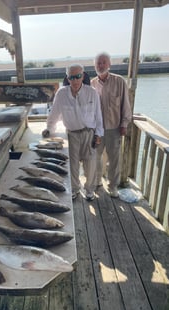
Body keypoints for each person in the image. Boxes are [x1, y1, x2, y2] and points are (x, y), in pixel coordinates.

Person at [42, 63, 103, 200]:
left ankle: (89, 190)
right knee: (72, 166)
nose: (75, 80)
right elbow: (54, 116)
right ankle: (75, 190)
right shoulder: (61, 94)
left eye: (78, 76)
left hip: (89, 134)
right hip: (71, 134)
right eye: (72, 77)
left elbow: (99, 116)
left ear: (83, 76)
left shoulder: (92, 92)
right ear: (67, 78)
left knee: (90, 165)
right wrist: (49, 130)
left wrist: (99, 134)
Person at [91, 52, 132, 198]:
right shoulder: (92, 84)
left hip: (114, 128)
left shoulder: (119, 81)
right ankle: (96, 182)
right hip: (97, 129)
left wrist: (124, 123)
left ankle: (113, 186)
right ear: (94, 66)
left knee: (114, 160)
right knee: (95, 157)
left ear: (109, 64)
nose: (100, 65)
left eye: (103, 62)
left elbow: (125, 105)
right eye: (98, 63)